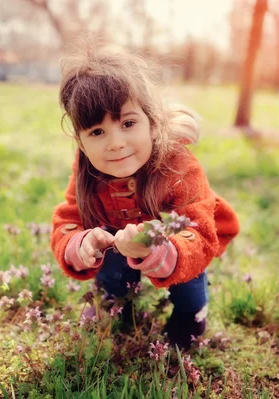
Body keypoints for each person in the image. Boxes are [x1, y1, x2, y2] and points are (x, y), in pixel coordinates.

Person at [50, 44, 239, 350]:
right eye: (97, 132)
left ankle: (191, 313)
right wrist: (80, 244)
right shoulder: (86, 169)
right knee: (107, 247)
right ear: (80, 142)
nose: (115, 143)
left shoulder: (178, 165)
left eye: (128, 123)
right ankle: (114, 297)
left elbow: (200, 235)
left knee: (188, 274)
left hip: (183, 241)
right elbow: (69, 218)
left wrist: (154, 250)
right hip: (118, 236)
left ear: (152, 121)